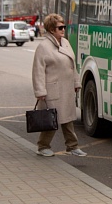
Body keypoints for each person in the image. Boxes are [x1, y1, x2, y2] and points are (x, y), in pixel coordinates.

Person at [31, 14, 86, 157]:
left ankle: (72, 146)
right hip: (52, 90)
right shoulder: (43, 47)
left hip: (66, 89)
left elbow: (71, 65)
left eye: (64, 27)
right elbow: (38, 70)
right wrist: (40, 91)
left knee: (67, 118)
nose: (63, 29)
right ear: (51, 29)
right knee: (52, 119)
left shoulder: (65, 42)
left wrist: (76, 82)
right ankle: (42, 147)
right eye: (60, 27)